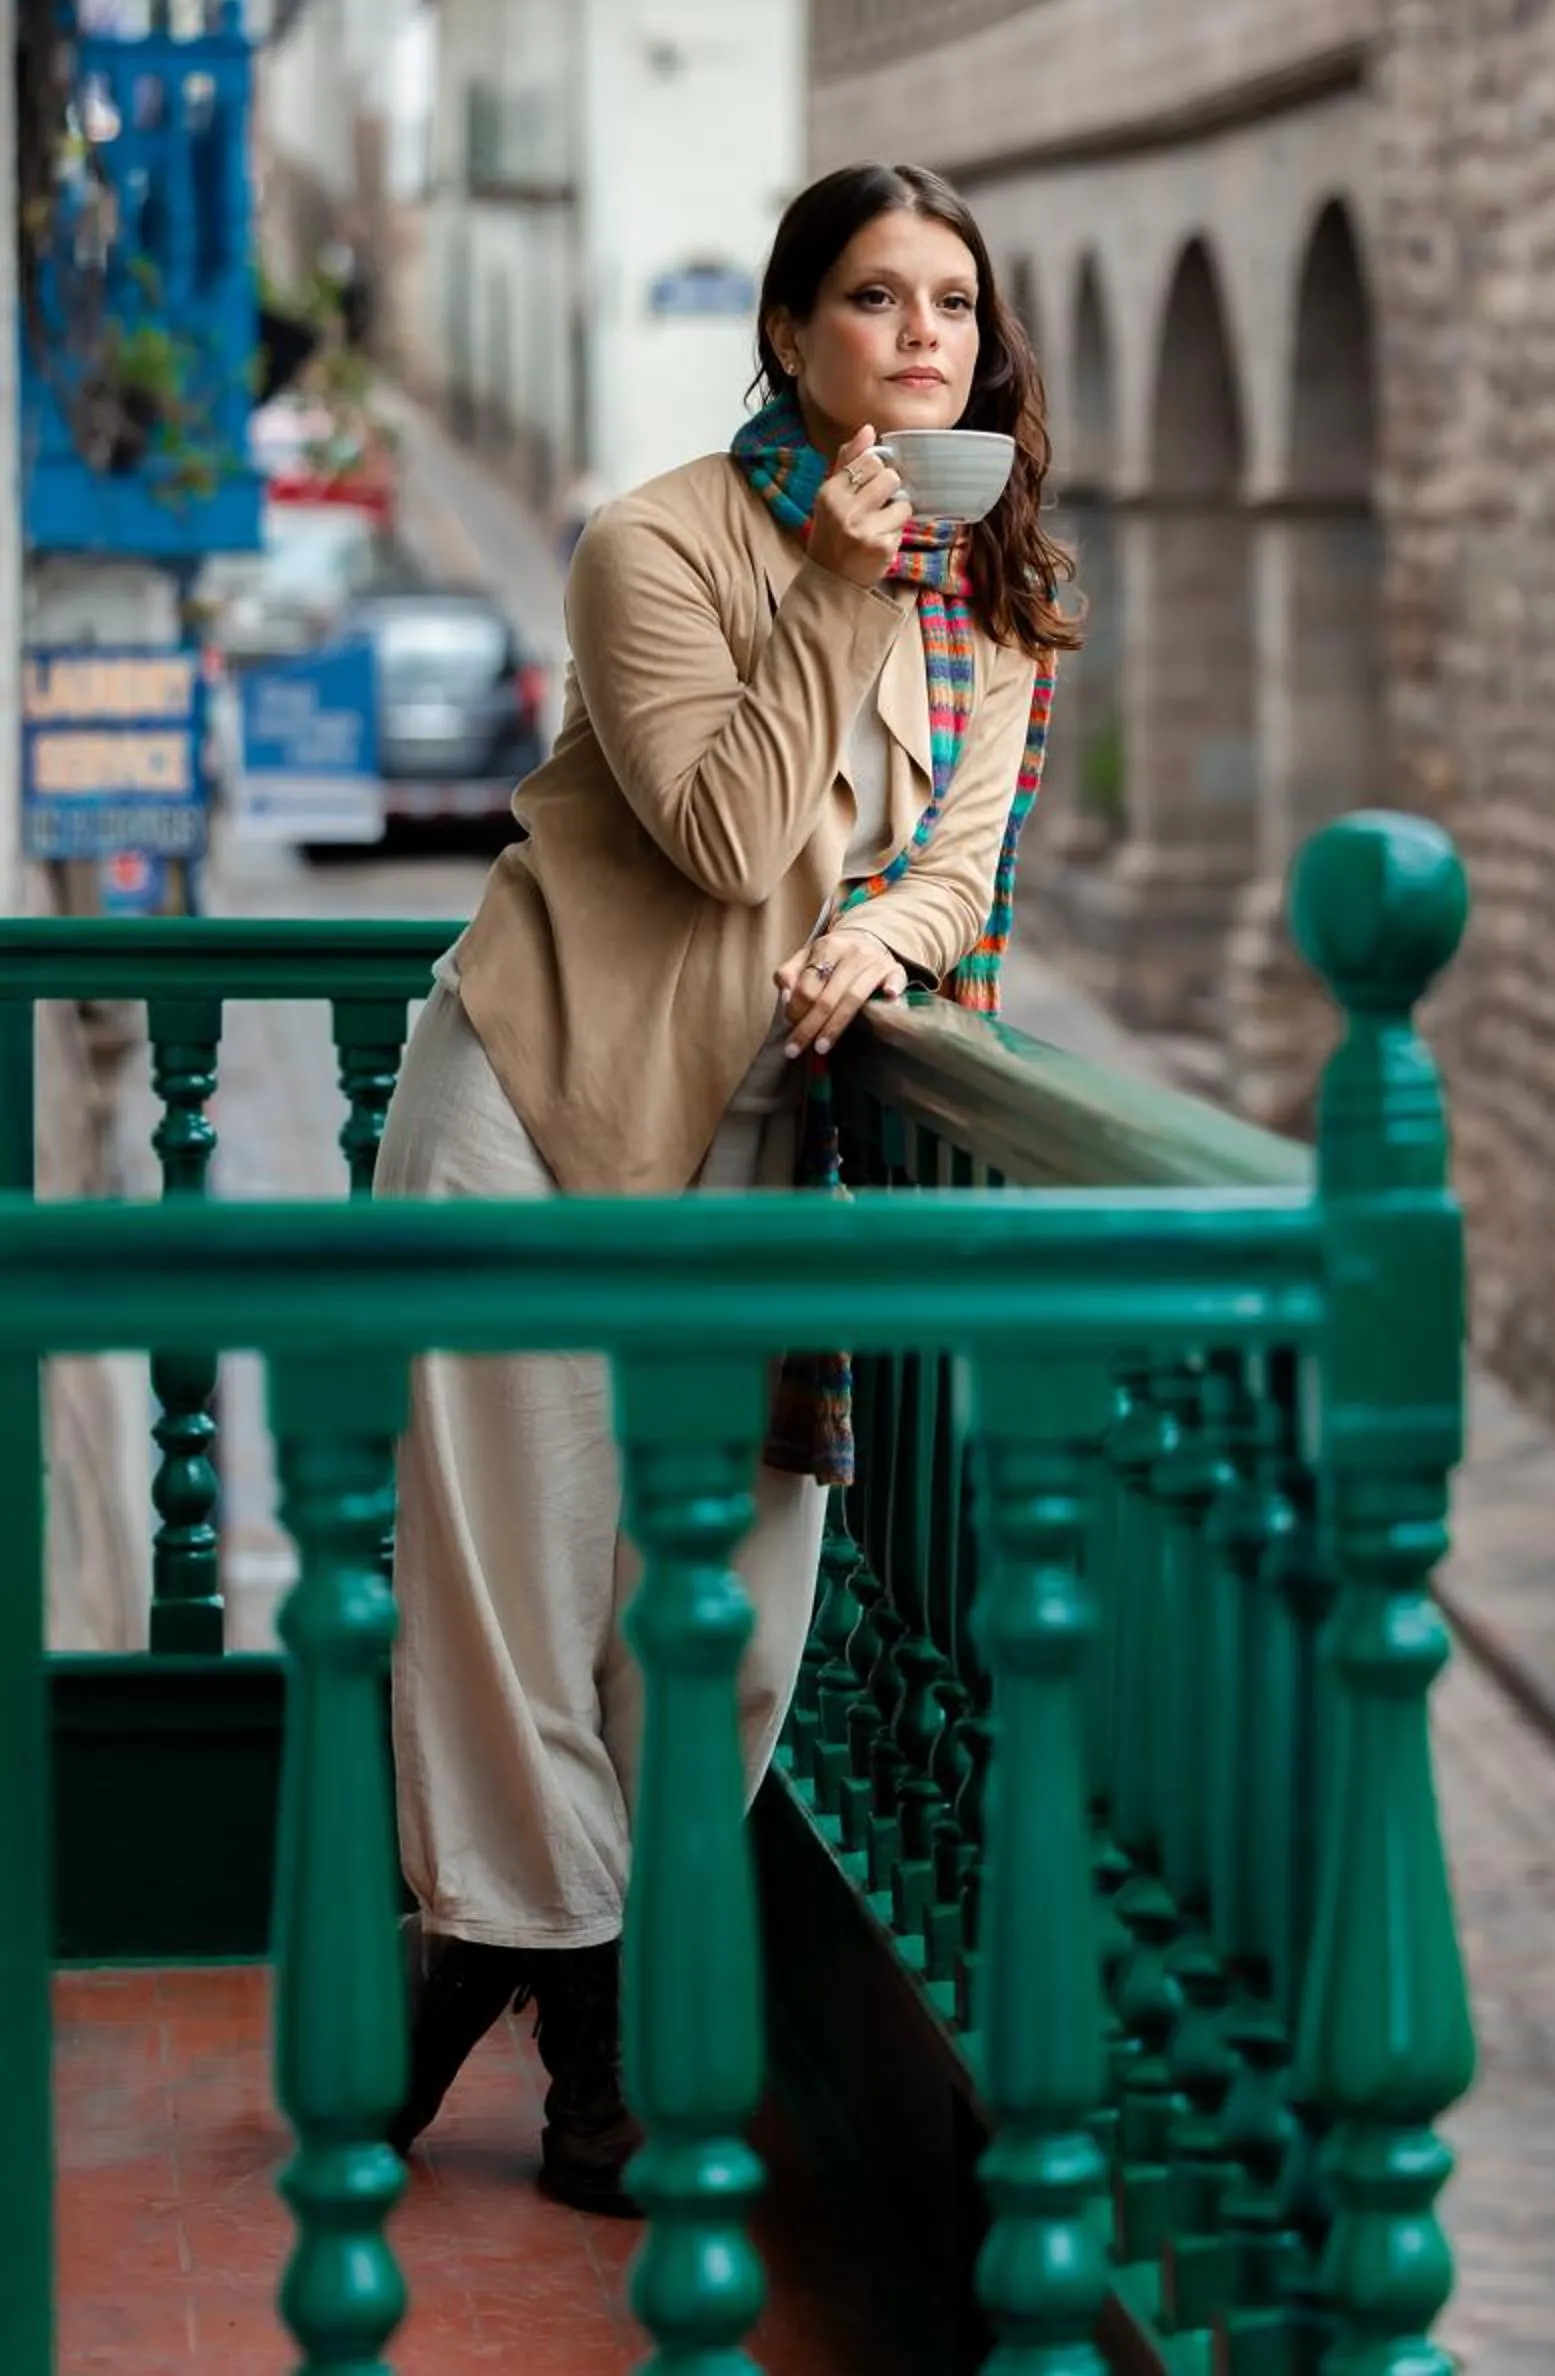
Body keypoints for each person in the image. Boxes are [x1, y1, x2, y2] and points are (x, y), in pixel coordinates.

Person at [373, 161, 1077, 2214]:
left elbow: (960, 860)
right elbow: (717, 835)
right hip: (537, 1096)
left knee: (732, 1629)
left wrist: (888, 939)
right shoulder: (657, 543)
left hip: (768, 1142)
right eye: (874, 296)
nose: (923, 334)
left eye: (954, 301)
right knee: (513, 1590)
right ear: (790, 332)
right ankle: (596, 2058)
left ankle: (482, 1961)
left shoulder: (998, 603)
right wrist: (841, 587)